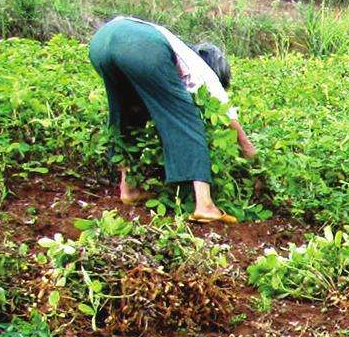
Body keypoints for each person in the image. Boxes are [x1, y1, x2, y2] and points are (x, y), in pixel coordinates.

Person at [89, 16, 256, 223]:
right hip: (139, 46)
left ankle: (128, 188)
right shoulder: (202, 69)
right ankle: (205, 204)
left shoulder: (173, 47)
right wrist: (248, 149)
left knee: (129, 112)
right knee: (187, 119)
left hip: (101, 41)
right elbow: (226, 113)